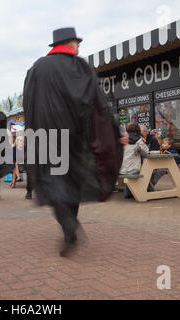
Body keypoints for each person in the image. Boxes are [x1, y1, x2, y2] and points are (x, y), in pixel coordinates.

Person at [23, 27, 124, 256]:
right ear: (71, 44)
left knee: (53, 181)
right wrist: (116, 130)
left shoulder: (37, 68)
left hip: (46, 137)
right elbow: (100, 103)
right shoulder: (82, 67)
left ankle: (68, 225)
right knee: (73, 183)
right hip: (78, 138)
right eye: (78, 43)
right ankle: (71, 222)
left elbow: (28, 103)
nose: (79, 47)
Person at [119, 123, 150, 198]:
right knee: (147, 171)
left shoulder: (122, 138)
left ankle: (130, 191)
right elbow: (146, 152)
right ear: (138, 130)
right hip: (131, 169)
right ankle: (146, 190)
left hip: (119, 168)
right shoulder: (138, 139)